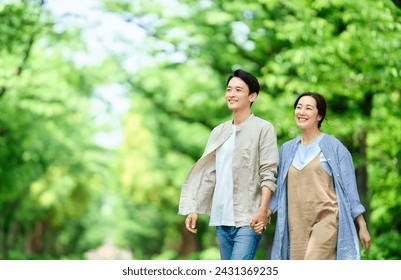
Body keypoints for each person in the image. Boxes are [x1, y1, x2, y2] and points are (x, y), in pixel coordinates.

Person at [178, 69, 279, 260]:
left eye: (238, 90)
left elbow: (268, 172)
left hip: (249, 217)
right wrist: (193, 207)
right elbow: (209, 174)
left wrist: (263, 210)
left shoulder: (263, 129)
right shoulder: (218, 132)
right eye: (229, 89)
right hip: (221, 217)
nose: (232, 94)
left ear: (252, 96)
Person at [268, 92, 371, 260]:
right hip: (296, 225)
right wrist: (264, 212)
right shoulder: (287, 149)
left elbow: (350, 190)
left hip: (327, 220)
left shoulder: (334, 147)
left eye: (308, 108)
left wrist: (362, 225)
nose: (301, 112)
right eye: (299, 107)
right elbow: (279, 189)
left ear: (320, 115)